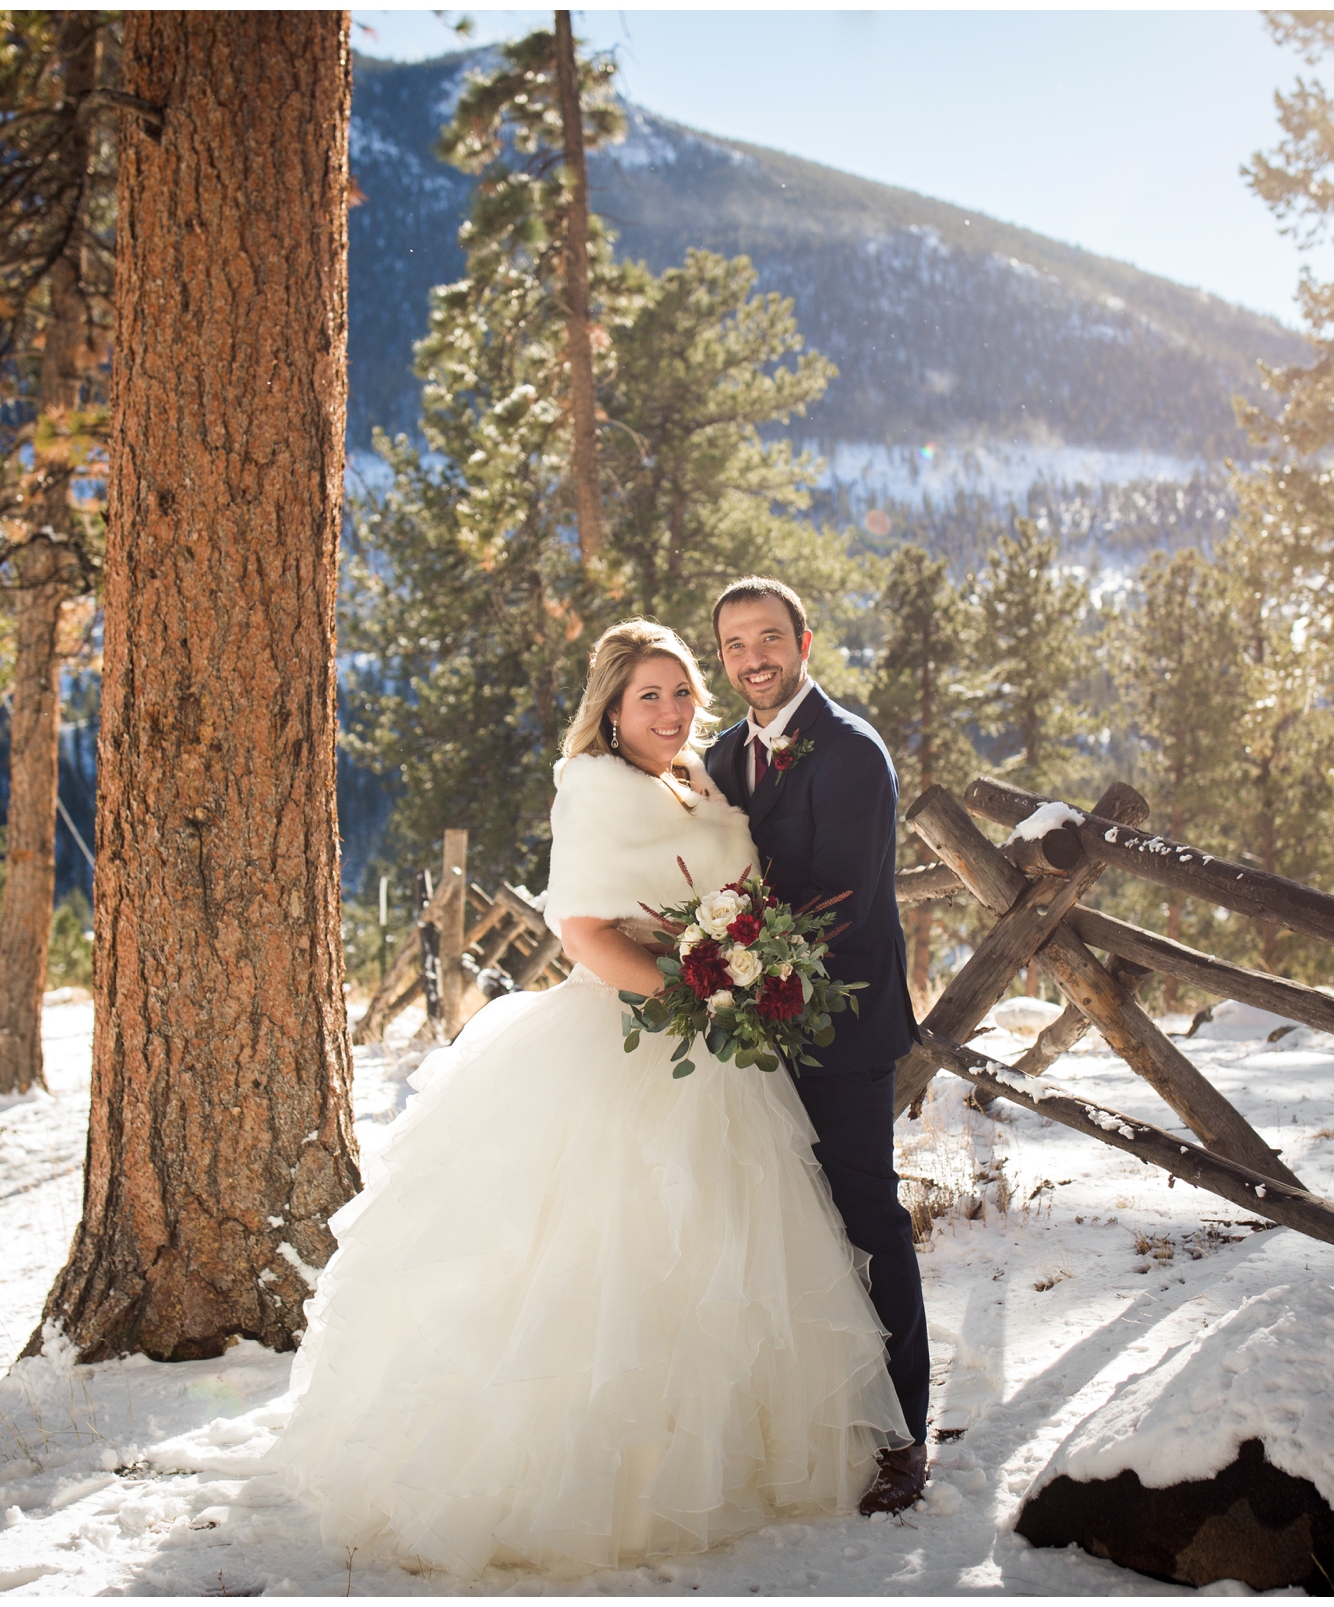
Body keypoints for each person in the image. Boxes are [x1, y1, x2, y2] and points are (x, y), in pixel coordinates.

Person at [267, 619, 910, 1578]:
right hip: (631, 1037)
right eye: (648, 695)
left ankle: (734, 1450)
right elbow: (583, 934)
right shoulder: (599, 788)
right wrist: (695, 995)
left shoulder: (699, 776)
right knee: (611, 1258)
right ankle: (591, 1473)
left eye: (683, 690)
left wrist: (733, 982)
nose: (671, 709)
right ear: (610, 709)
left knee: (727, 1253)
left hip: (722, 1049)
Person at [704, 576, 931, 1515]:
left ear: (805, 640)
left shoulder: (850, 753)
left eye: (768, 638)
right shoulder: (721, 754)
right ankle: (813, 1414)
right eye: (733, 644)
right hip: (753, 1036)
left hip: (840, 1028)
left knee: (866, 1219)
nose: (753, 658)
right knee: (782, 1228)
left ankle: (903, 1436)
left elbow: (845, 905)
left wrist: (747, 972)